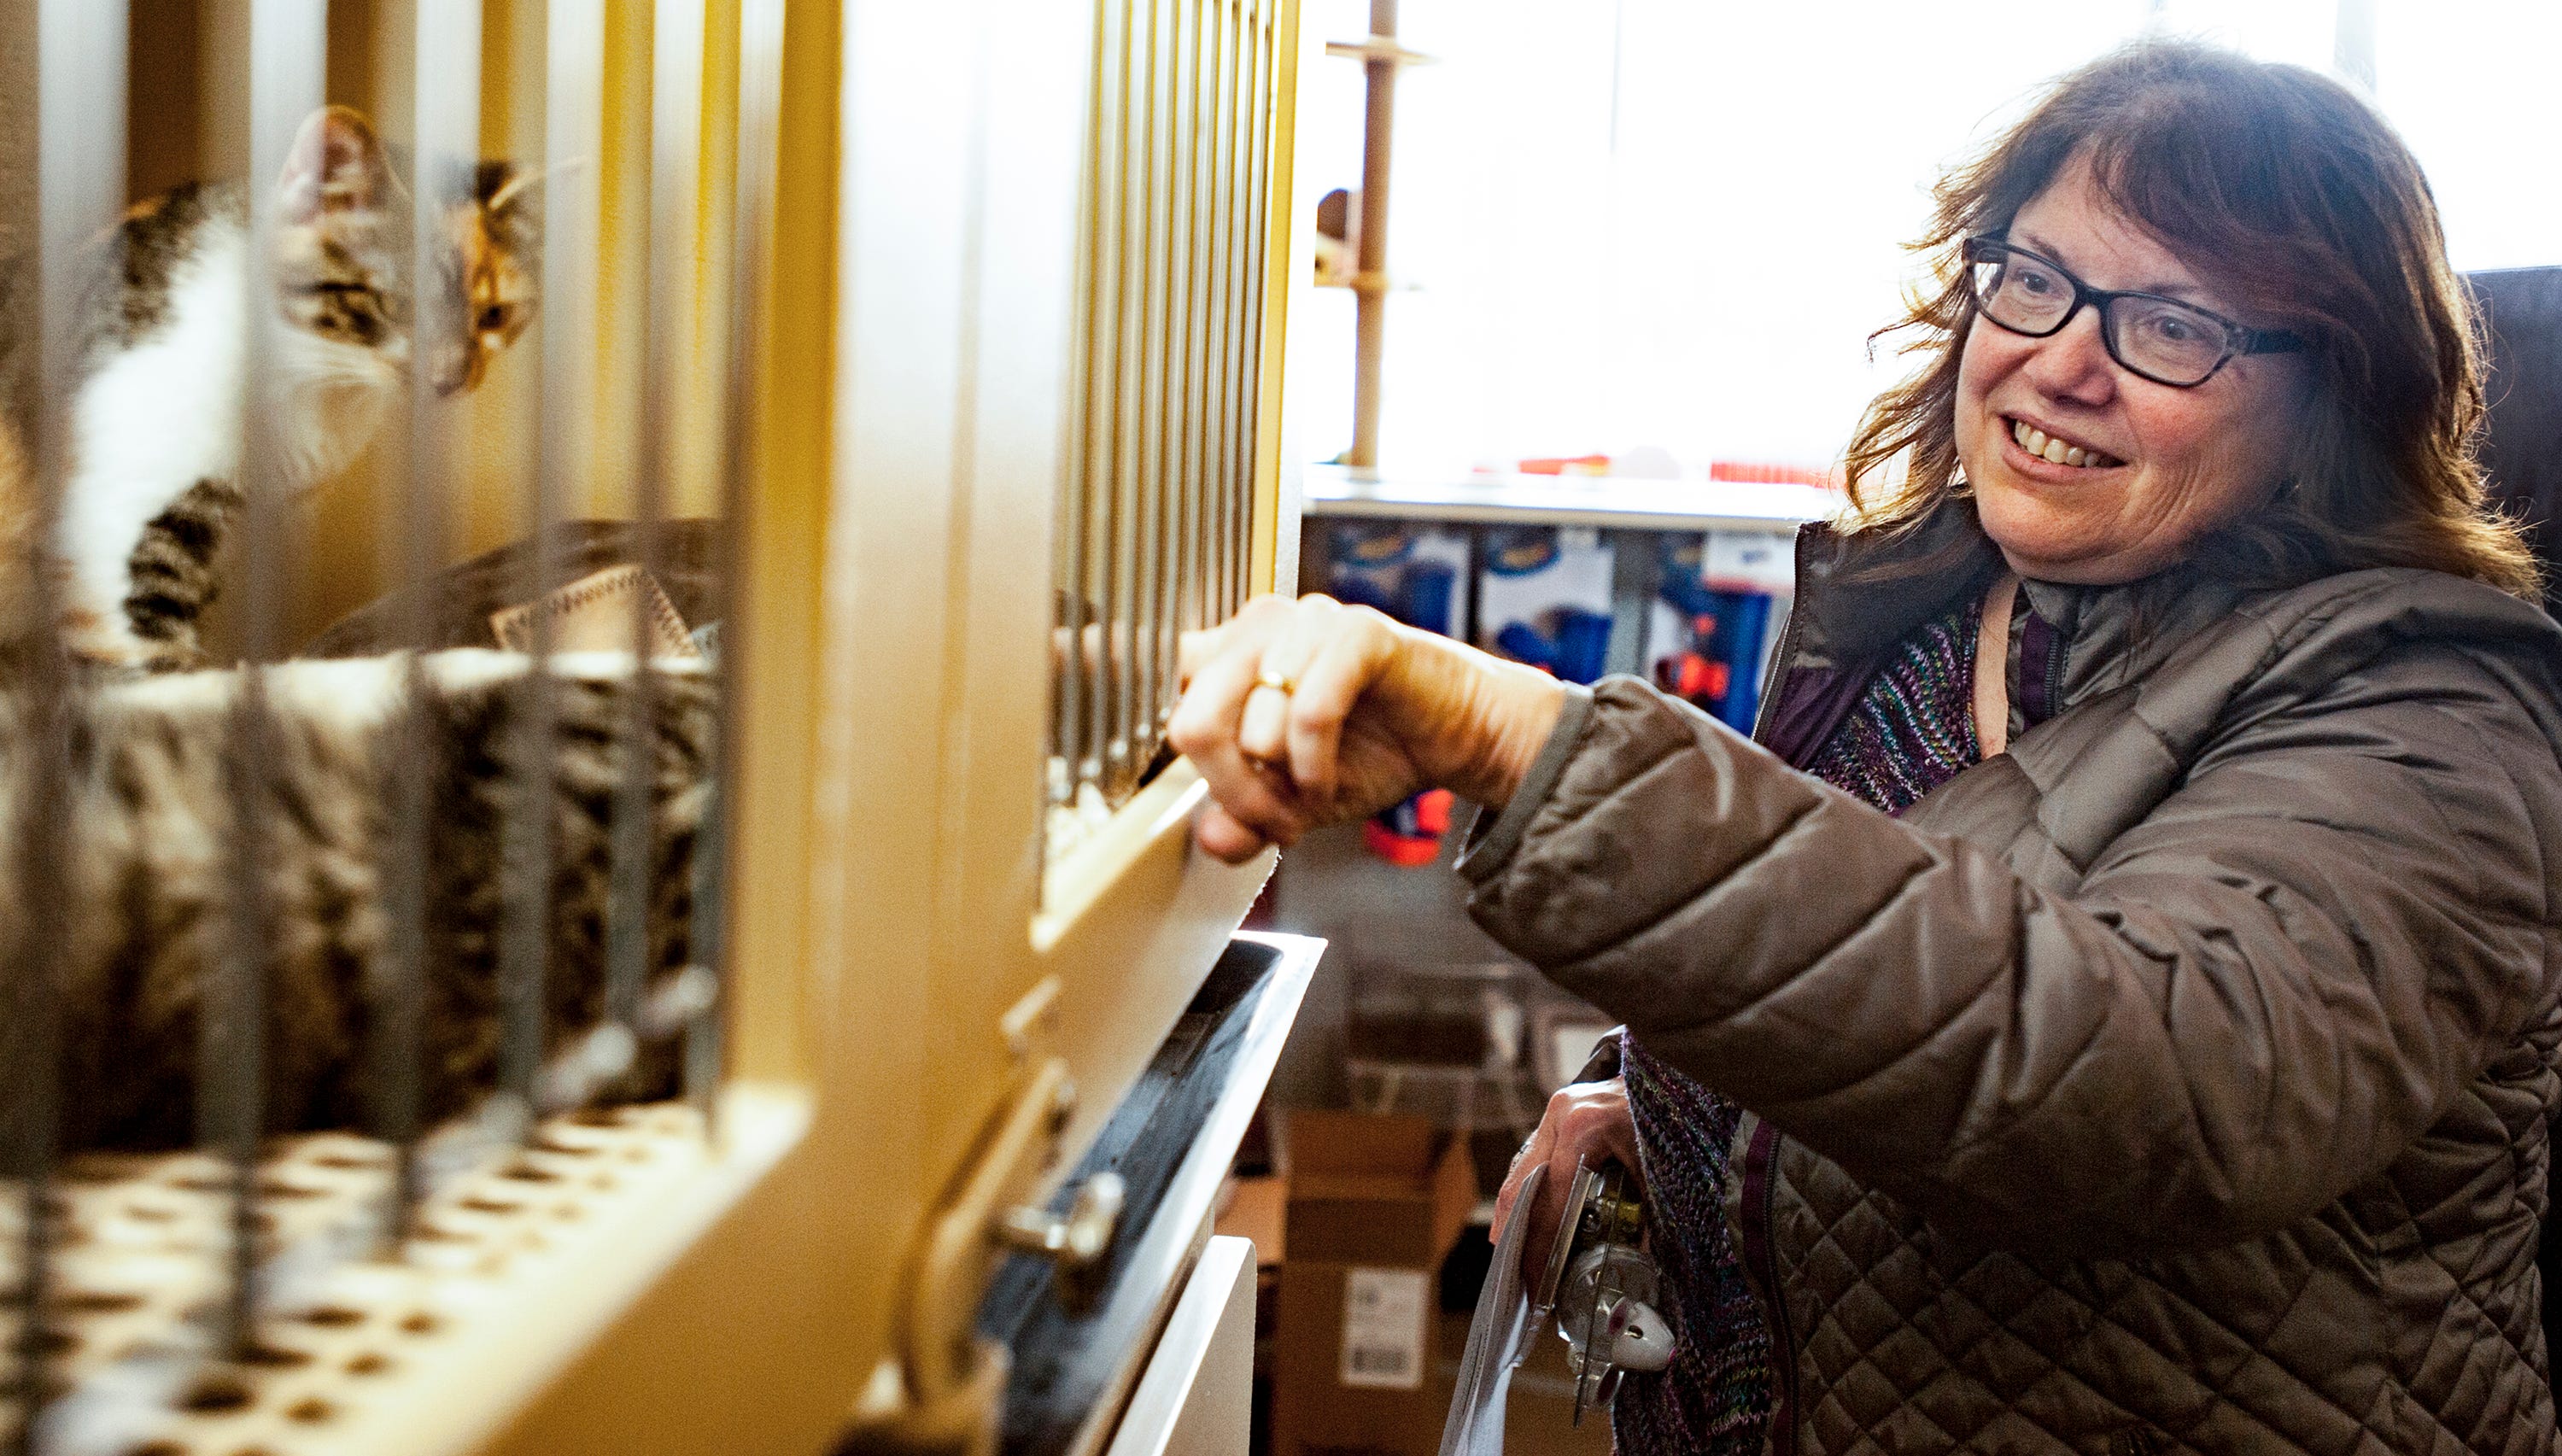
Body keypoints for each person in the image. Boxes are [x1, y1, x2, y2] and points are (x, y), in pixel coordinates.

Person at [1169, 41, 2562, 1454]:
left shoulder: (2439, 716)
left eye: (2170, 325)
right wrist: (1669, 1101)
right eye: (2034, 278)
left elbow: (2140, 1071)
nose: (2061, 359)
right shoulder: (1927, 614)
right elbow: (1891, 953)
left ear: (2335, 397)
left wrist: (1520, 738)